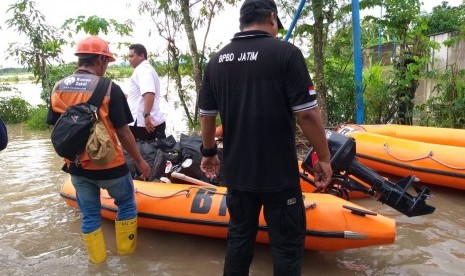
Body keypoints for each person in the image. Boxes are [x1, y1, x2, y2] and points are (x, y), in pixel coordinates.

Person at [199, 0, 333, 275]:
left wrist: (209, 153)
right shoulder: (286, 54)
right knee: (286, 247)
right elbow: (307, 115)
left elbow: (207, 116)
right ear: (272, 18)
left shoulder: (216, 61)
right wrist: (324, 158)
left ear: (243, 21)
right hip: (278, 176)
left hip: (237, 174)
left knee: (239, 241)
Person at [47, 35, 151, 264]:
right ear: (101, 60)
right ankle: (128, 259)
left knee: (90, 215)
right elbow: (124, 132)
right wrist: (141, 162)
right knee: (125, 204)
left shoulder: (58, 88)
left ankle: (98, 265)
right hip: (109, 165)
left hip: (75, 166)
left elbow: (58, 128)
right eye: (107, 62)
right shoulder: (108, 88)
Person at [127, 43, 166, 141]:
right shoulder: (144, 69)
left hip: (143, 124)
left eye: (132, 56)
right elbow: (141, 95)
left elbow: (149, 94)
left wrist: (146, 116)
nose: (129, 59)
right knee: (153, 153)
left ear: (141, 56)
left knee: (145, 153)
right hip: (147, 122)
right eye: (128, 57)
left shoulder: (143, 69)